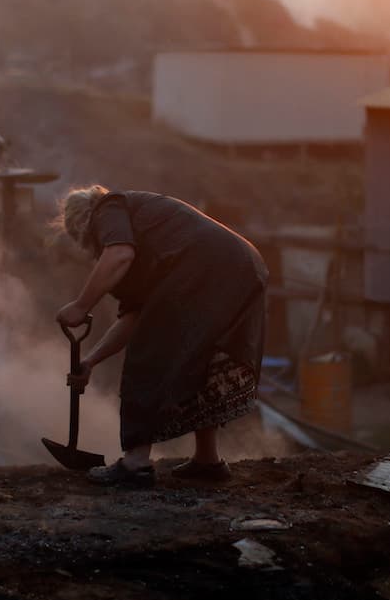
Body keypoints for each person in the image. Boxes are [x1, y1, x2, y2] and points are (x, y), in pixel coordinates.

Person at [55, 186, 268, 486]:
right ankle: (208, 462)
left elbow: (118, 254)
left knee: (148, 355)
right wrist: (91, 361)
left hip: (212, 266)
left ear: (85, 225)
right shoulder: (147, 243)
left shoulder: (108, 207)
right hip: (241, 265)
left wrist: (81, 305)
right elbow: (133, 317)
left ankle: (135, 464)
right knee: (202, 361)